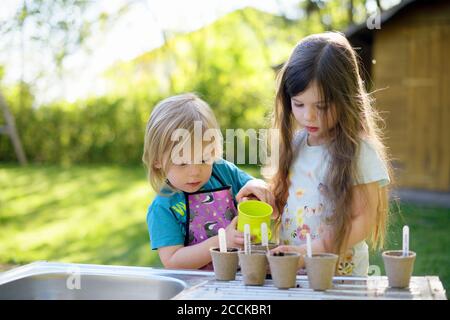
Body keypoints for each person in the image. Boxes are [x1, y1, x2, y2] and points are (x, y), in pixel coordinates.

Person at [252, 32, 391, 276]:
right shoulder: (295, 144)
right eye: (299, 104)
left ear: (346, 99)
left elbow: (362, 220)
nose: (309, 116)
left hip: (339, 277)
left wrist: (311, 252)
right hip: (294, 273)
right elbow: (284, 203)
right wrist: (260, 197)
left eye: (322, 106)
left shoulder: (359, 151)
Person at [143, 93, 274, 269]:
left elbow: (252, 185)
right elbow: (173, 261)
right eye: (182, 163)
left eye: (204, 159)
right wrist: (221, 241)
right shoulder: (163, 208)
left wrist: (255, 187)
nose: (195, 171)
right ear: (157, 160)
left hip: (244, 277)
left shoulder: (222, 172)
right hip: (199, 288)